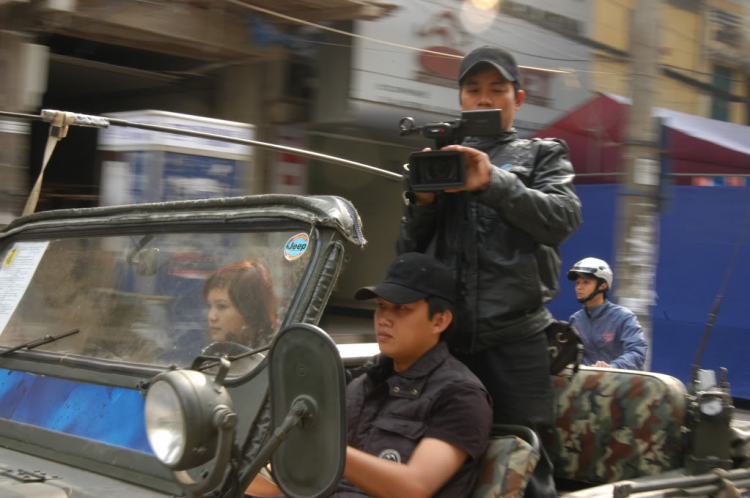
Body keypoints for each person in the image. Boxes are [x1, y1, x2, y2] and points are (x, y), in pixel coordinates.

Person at [397, 45, 583, 498]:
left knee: (526, 457)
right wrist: (422, 203)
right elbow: (406, 257)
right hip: (446, 343)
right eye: (473, 89)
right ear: (460, 97)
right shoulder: (439, 159)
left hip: (516, 342)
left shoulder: (542, 155)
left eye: (496, 90)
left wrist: (494, 181)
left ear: (518, 99)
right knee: (441, 456)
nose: (484, 99)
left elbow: (563, 219)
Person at [247, 252, 493, 497]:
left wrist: (325, 444)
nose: (384, 319)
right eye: (381, 306)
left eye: (401, 308)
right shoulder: (366, 381)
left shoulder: (460, 396)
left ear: (439, 321)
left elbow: (414, 488)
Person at [567, 257, 647, 370]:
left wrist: (612, 367)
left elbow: (637, 353)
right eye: (577, 283)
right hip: (585, 384)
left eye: (586, 282)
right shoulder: (575, 320)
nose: (579, 287)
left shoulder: (624, 317)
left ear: (602, 286)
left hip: (620, 383)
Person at [202, 261, 278, 350]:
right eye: (209, 305)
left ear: (249, 311)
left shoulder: (272, 358)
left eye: (221, 306)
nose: (211, 316)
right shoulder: (217, 355)